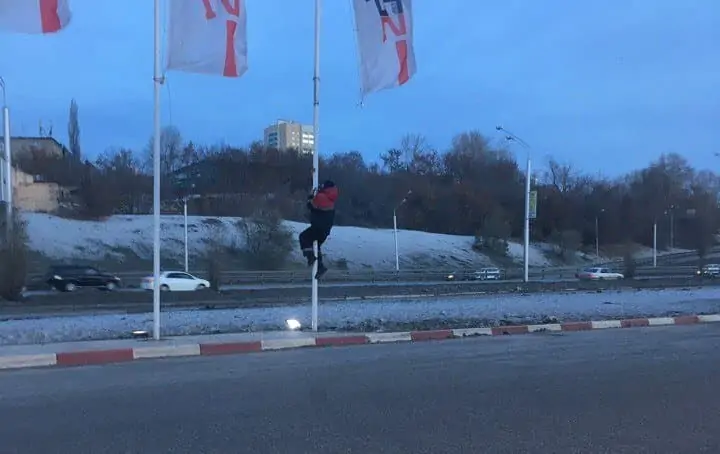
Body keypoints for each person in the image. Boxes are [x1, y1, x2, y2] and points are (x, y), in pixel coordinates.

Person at [299, 180, 338, 279]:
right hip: (325, 230)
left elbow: (310, 206)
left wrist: (310, 196)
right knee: (316, 246)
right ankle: (320, 267)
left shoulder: (321, 197)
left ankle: (311, 257)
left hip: (318, 227)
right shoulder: (331, 200)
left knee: (303, 237)